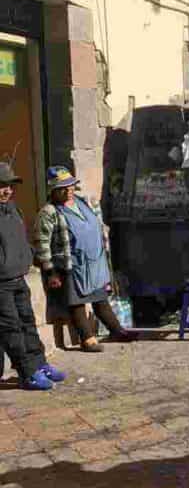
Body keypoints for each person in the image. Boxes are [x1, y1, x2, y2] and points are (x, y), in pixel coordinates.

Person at [34, 166, 135, 353]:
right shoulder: (48, 212)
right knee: (77, 303)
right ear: (53, 191)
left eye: (71, 186)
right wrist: (51, 272)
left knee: (100, 299)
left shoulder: (82, 202)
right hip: (71, 265)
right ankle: (87, 339)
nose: (69, 190)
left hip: (93, 263)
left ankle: (117, 331)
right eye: (63, 188)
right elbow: (42, 244)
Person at [0, 163, 67, 391]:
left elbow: (21, 239)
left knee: (28, 324)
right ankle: (27, 372)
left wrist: (28, 256)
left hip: (19, 278)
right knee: (12, 329)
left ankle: (40, 364)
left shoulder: (14, 210)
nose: (6, 191)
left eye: (9, 186)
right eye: (1, 186)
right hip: (1, 284)